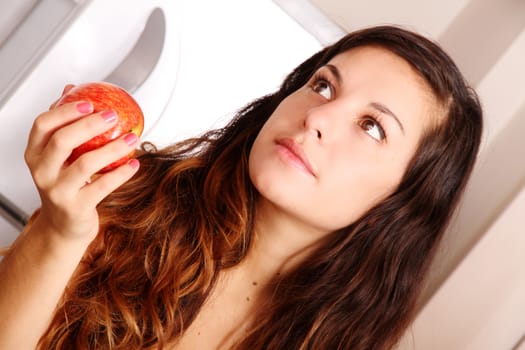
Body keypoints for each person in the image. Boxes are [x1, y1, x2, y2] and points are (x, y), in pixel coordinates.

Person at [0, 25, 482, 349]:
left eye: (372, 126)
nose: (317, 116)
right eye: (323, 85)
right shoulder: (124, 202)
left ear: (404, 203)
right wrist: (60, 234)